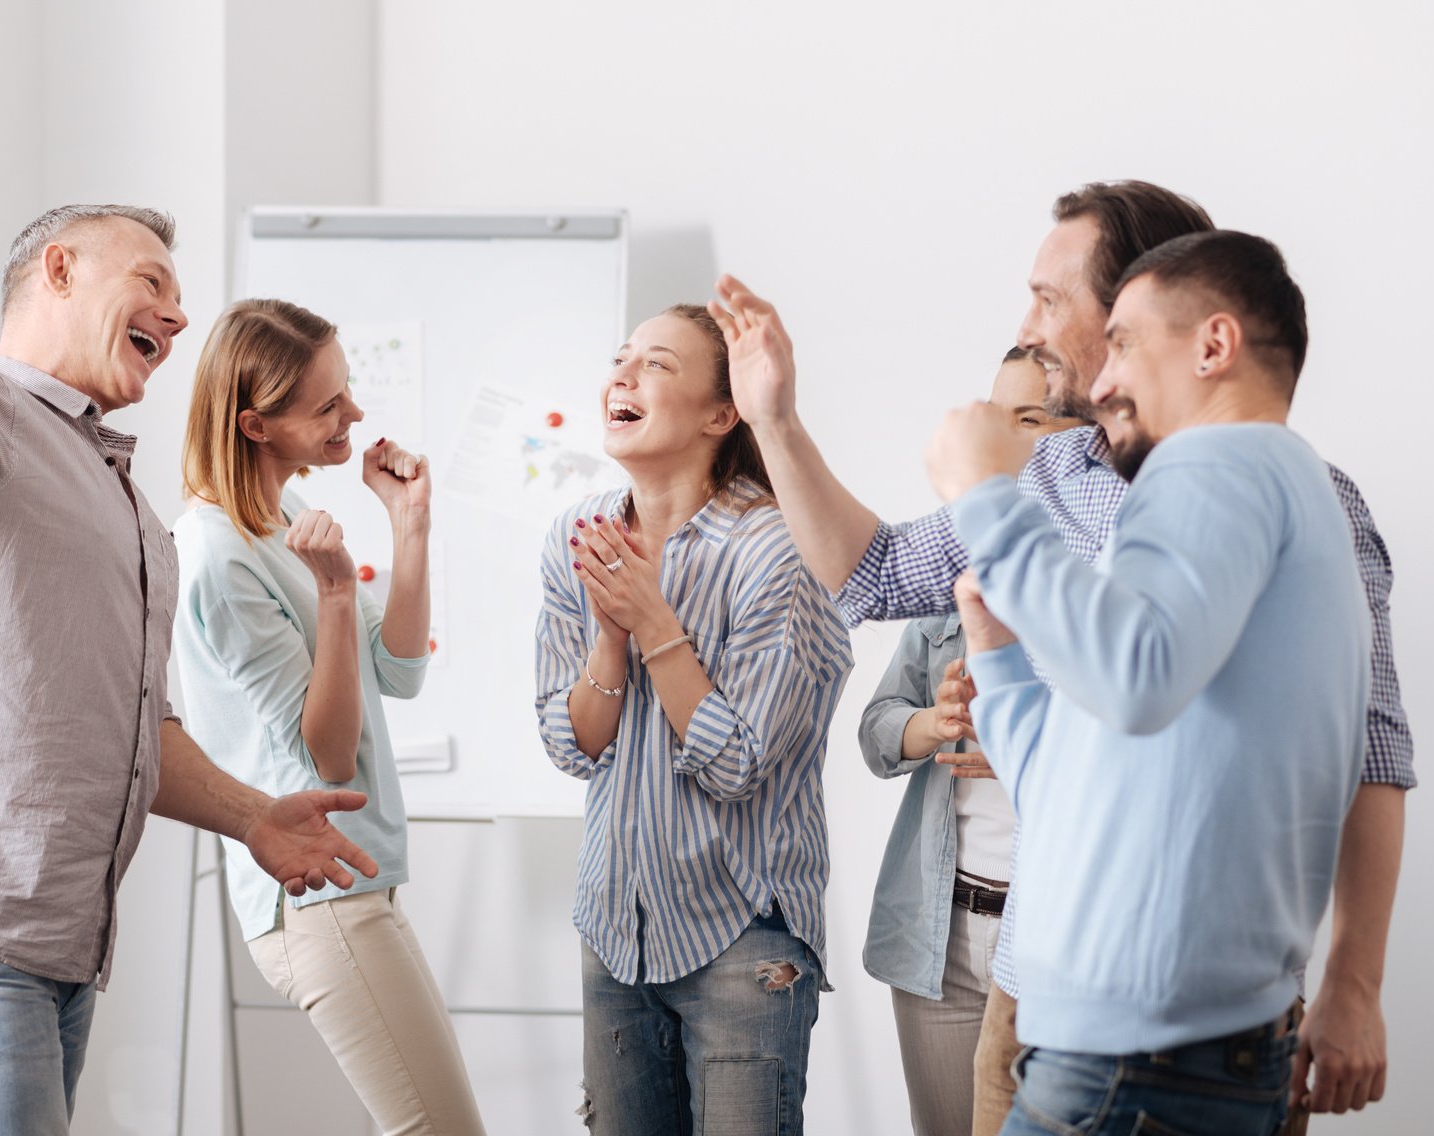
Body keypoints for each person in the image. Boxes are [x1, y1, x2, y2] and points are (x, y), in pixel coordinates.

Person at [710, 179, 1411, 1134]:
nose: (1028, 326)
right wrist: (776, 420)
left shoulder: (1268, 482)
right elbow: (870, 576)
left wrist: (1354, 984)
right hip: (1036, 989)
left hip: (1179, 1017)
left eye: (1051, 299)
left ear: (1140, 304)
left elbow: (1367, 753)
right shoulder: (1051, 472)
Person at [0, 107, 377, 1136]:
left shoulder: (129, 506)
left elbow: (140, 732)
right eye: (153, 284)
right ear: (59, 271)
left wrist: (255, 814)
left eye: (179, 300)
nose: (177, 317)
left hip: (59, 940)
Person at [923, 229, 1366, 1134]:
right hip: (1154, 1055)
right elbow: (1064, 784)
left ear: (1213, 345)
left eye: (1123, 341)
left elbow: (1134, 678)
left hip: (1135, 1067)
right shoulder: (1272, 494)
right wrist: (1000, 650)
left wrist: (987, 496)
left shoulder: (1220, 461)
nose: (1102, 378)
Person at [534, 303, 852, 1135]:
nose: (624, 376)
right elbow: (572, 744)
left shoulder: (778, 550)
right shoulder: (579, 533)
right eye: (621, 359)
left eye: (658, 364)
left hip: (744, 940)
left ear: (722, 414)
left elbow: (736, 762)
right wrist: (609, 644)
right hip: (614, 930)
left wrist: (654, 626)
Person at [172, 299, 485, 1135]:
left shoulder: (278, 525)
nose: (354, 415)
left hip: (359, 884)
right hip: (317, 896)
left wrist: (409, 525)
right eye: (328, 405)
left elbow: (401, 670)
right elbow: (330, 757)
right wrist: (339, 593)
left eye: (347, 392)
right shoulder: (218, 553)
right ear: (255, 424)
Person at [859, 348, 1084, 1136]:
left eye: (1030, 418)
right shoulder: (958, 571)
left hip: (1059, 936)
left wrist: (1029, 745)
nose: (1000, 438)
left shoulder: (1102, 584)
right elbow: (878, 729)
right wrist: (935, 722)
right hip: (942, 932)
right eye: (995, 416)